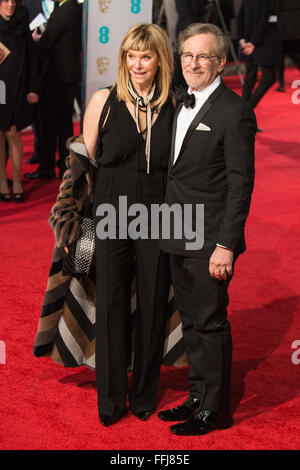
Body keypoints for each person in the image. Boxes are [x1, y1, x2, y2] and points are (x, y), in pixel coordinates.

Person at [157, 23, 256, 436]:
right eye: (186, 55)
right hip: (175, 230)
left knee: (211, 320)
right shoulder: (179, 103)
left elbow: (240, 185)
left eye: (202, 57)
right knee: (192, 321)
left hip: (209, 238)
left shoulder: (235, 112)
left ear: (219, 62)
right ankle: (198, 395)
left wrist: (225, 246)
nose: (192, 63)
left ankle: (215, 409)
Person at [82, 23, 174, 426]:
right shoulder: (103, 100)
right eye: (131, 56)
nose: (137, 64)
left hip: (158, 212)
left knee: (154, 303)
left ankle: (144, 394)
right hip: (109, 210)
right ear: (123, 59)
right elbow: (85, 162)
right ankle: (110, 399)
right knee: (111, 303)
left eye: (146, 56)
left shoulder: (175, 103)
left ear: (160, 60)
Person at [24, 0, 82, 180]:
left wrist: (34, 41)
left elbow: (46, 44)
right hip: (68, 75)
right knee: (64, 123)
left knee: (49, 123)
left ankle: (47, 167)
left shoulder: (64, 10)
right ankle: (63, 166)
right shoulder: (74, 8)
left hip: (57, 76)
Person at [0, 0, 39, 202]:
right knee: (0, 134)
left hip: (17, 86)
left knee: (13, 133)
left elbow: (33, 57)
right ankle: (2, 180)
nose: (10, 4)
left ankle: (16, 181)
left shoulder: (22, 21)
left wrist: (33, 87)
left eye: (13, 0)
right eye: (5, 0)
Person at [237, 0, 281, 114]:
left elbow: (240, 16)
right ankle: (245, 113)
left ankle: (244, 116)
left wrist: (242, 39)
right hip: (264, 39)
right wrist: (253, 43)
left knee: (251, 76)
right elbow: (264, 18)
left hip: (249, 39)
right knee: (268, 76)